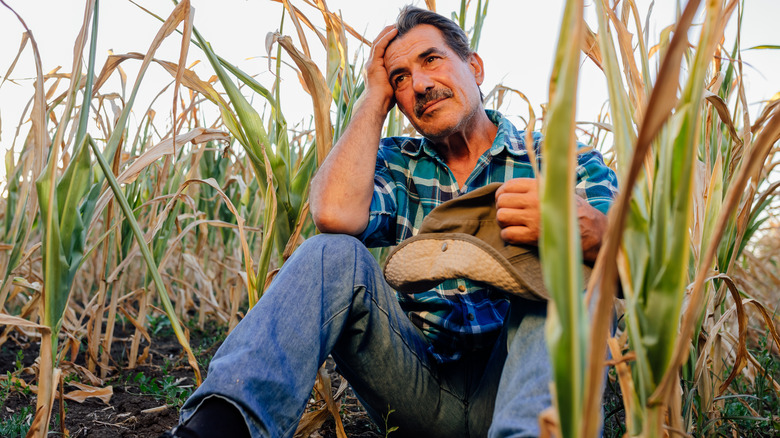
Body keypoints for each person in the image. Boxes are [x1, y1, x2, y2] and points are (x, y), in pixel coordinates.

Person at [164, 5, 618, 438]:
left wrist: (595, 233)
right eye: (401, 78)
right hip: (420, 388)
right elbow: (332, 213)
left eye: (431, 59)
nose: (419, 84)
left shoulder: (562, 162)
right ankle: (214, 430)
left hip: (517, 387)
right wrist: (374, 97)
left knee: (570, 271)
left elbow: (644, 265)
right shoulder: (394, 164)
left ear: (475, 68)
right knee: (331, 252)